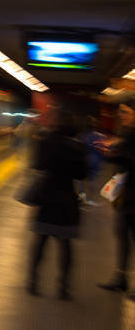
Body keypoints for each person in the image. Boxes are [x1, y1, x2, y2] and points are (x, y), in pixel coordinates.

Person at [26, 108, 87, 299]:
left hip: (47, 197)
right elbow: (82, 174)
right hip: (67, 199)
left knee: (40, 242)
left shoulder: (46, 141)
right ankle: (64, 288)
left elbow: (38, 165)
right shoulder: (78, 146)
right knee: (65, 245)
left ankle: (33, 283)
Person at [97, 100, 135, 295]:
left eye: (127, 113)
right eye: (122, 113)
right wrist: (108, 154)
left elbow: (130, 160)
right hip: (127, 196)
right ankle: (120, 279)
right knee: (122, 236)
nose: (123, 117)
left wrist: (116, 153)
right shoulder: (126, 135)